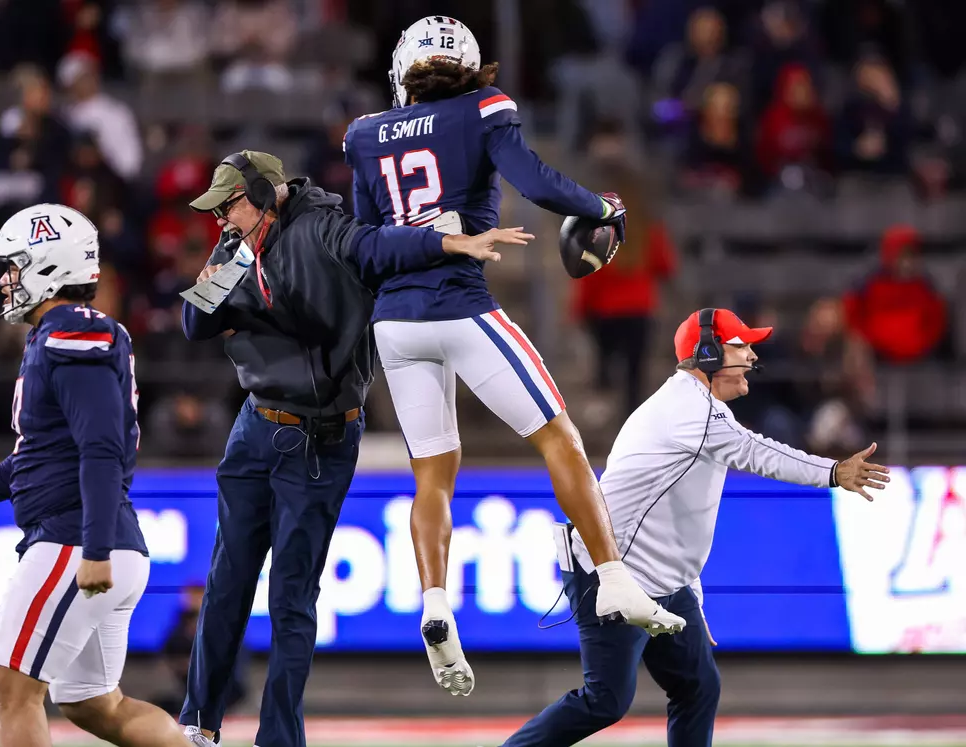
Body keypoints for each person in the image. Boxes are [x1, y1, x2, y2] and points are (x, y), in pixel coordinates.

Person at [342, 16, 686, 698]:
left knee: (432, 474)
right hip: (460, 308)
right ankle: (615, 576)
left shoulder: (364, 133)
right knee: (560, 437)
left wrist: (420, 242)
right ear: (468, 66)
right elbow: (534, 179)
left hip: (395, 324)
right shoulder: (484, 108)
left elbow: (361, 246)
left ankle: (436, 601)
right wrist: (603, 206)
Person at [178, 150, 530, 747]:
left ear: (267, 193)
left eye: (232, 204)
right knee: (227, 581)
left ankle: (279, 740)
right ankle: (198, 724)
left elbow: (382, 249)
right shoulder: (239, 244)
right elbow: (194, 324)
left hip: (318, 436)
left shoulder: (325, 229)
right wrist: (240, 293)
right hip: (254, 425)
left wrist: (451, 245)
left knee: (292, 594)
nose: (223, 220)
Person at [498, 308, 890, 747]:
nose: (751, 355)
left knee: (697, 686)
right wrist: (833, 471)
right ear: (706, 354)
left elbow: (677, 516)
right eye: (740, 346)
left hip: (662, 578)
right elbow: (758, 452)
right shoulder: (692, 409)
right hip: (613, 572)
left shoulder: (696, 407)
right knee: (605, 700)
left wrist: (694, 602)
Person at [0, 203, 190, 747]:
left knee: (12, 685)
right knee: (93, 703)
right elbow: (45, 455)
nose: (4, 279)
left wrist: (94, 548)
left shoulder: (71, 334)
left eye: (14, 266)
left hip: (76, 541)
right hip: (94, 539)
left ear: (47, 266)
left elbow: (101, 450)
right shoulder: (55, 335)